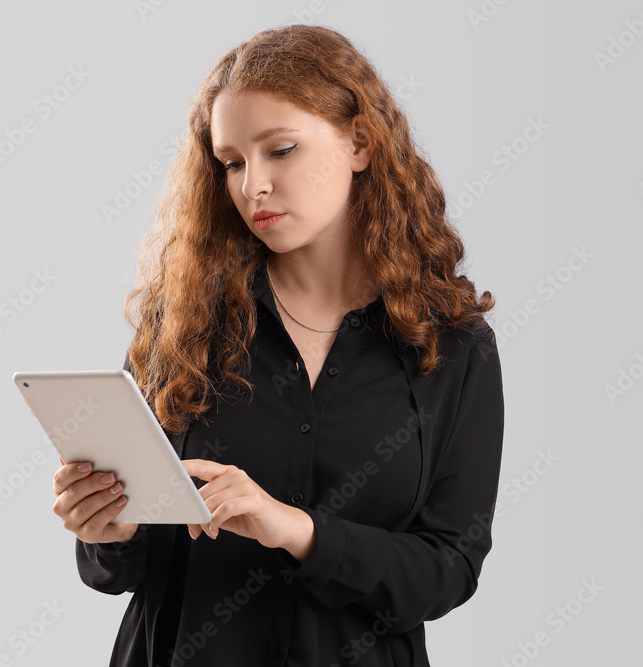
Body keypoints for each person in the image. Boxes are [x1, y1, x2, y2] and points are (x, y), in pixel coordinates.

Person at [50, 23, 505, 667]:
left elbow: (449, 570)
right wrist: (108, 531)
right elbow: (117, 571)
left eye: (281, 150)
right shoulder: (182, 324)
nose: (252, 186)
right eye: (232, 162)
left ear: (360, 142)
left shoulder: (453, 345)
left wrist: (301, 532)